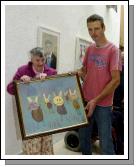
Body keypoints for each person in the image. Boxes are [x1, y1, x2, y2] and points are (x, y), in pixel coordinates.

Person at [77, 14, 122, 155]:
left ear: (104, 28)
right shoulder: (89, 49)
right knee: (84, 139)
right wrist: (78, 74)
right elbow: (85, 72)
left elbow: (116, 80)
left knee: (105, 143)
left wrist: (95, 100)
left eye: (96, 29)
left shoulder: (113, 50)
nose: (93, 33)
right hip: (85, 100)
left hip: (103, 104)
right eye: (90, 29)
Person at [7, 47, 57, 155]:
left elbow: (56, 92)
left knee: (47, 148)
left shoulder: (51, 72)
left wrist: (48, 80)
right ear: (31, 60)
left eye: (42, 60)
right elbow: (10, 89)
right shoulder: (23, 71)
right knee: (32, 150)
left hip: (47, 116)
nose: (40, 63)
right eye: (37, 60)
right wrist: (19, 82)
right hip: (29, 117)